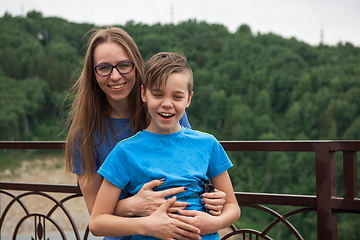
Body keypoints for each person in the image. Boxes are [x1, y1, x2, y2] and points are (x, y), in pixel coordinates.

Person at [64, 27, 227, 240]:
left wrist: (214, 197)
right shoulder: (83, 135)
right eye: (104, 68)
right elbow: (96, 212)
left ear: (136, 67)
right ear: (93, 74)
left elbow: (187, 166)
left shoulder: (164, 114)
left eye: (123, 65)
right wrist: (136, 206)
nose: (115, 76)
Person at [89, 52, 241, 240]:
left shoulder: (208, 144)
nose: (167, 104)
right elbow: (97, 222)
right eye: (158, 94)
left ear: (188, 99)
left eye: (177, 97)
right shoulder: (124, 151)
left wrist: (216, 223)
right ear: (144, 94)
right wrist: (146, 226)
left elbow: (232, 207)